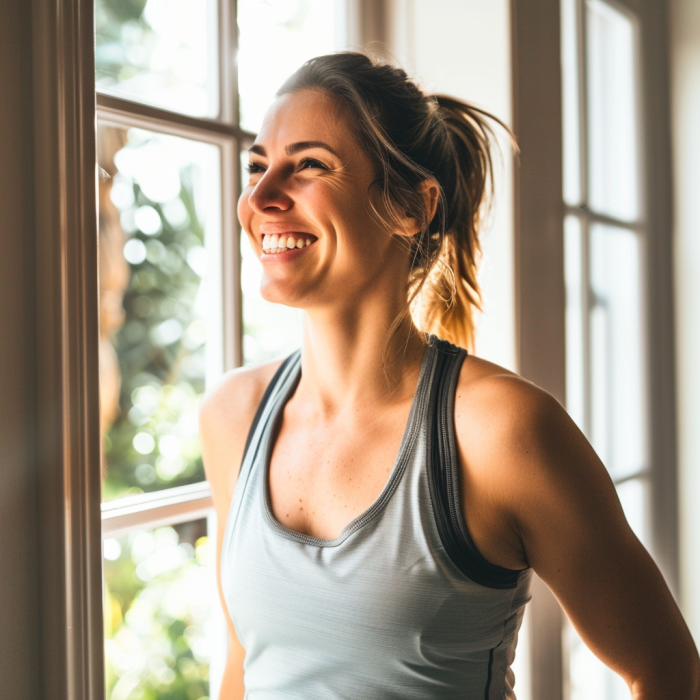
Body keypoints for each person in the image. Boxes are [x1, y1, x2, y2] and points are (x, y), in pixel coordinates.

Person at [199, 52, 699, 699]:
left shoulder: (502, 431)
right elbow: (242, 664)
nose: (260, 198)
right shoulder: (232, 416)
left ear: (412, 206)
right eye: (258, 166)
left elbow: (667, 669)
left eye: (310, 165)